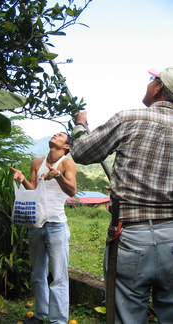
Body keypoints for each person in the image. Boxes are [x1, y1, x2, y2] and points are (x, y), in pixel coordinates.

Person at [70, 67, 173, 324]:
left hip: (131, 236)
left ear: (159, 87)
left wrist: (80, 124)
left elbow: (82, 152)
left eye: (152, 80)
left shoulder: (130, 118)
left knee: (127, 315)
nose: (148, 84)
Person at [11, 132, 77, 324]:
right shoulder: (37, 162)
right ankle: (41, 314)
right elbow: (33, 189)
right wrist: (23, 179)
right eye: (55, 134)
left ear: (66, 146)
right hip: (36, 224)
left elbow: (72, 190)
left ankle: (58, 320)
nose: (56, 135)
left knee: (58, 276)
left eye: (61, 135)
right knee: (38, 274)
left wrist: (57, 176)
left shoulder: (67, 163)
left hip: (57, 224)